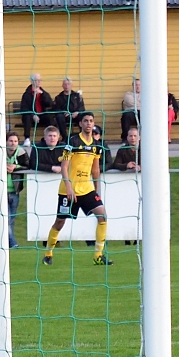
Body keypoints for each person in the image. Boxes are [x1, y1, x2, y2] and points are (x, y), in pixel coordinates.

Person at [43, 112, 113, 266]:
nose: (88, 124)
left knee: (102, 216)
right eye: (85, 121)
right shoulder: (72, 142)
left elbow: (95, 169)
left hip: (86, 189)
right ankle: (48, 253)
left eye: (91, 121)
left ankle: (98, 255)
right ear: (80, 124)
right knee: (60, 222)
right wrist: (68, 186)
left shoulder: (96, 146)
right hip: (68, 190)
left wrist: (96, 189)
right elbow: (64, 166)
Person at [5, 131, 29, 248]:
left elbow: (29, 165)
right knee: (7, 219)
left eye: (15, 141)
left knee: (11, 219)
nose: (13, 143)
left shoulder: (21, 152)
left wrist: (16, 167)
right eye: (10, 141)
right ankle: (13, 243)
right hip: (1, 191)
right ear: (5, 142)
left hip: (15, 191)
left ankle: (7, 242)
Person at [19, 74, 53, 147]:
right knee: (27, 117)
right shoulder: (27, 94)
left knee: (49, 118)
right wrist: (33, 115)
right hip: (31, 115)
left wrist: (42, 95)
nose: (39, 82)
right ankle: (27, 138)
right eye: (37, 80)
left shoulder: (43, 92)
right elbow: (24, 108)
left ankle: (50, 138)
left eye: (40, 80)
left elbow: (50, 104)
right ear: (32, 81)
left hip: (42, 115)